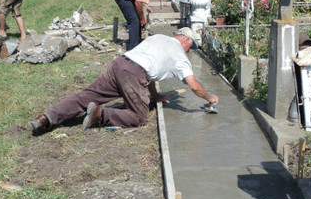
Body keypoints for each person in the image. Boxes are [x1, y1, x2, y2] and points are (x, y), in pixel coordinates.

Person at [29, 27, 218, 135]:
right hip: (133, 74)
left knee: (84, 96)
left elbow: (150, 73)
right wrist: (209, 97)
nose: (189, 51)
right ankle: (100, 114)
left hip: (120, 64)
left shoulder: (159, 37)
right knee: (139, 117)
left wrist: (156, 95)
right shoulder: (180, 56)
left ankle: (46, 118)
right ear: (187, 41)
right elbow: (194, 86)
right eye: (190, 47)